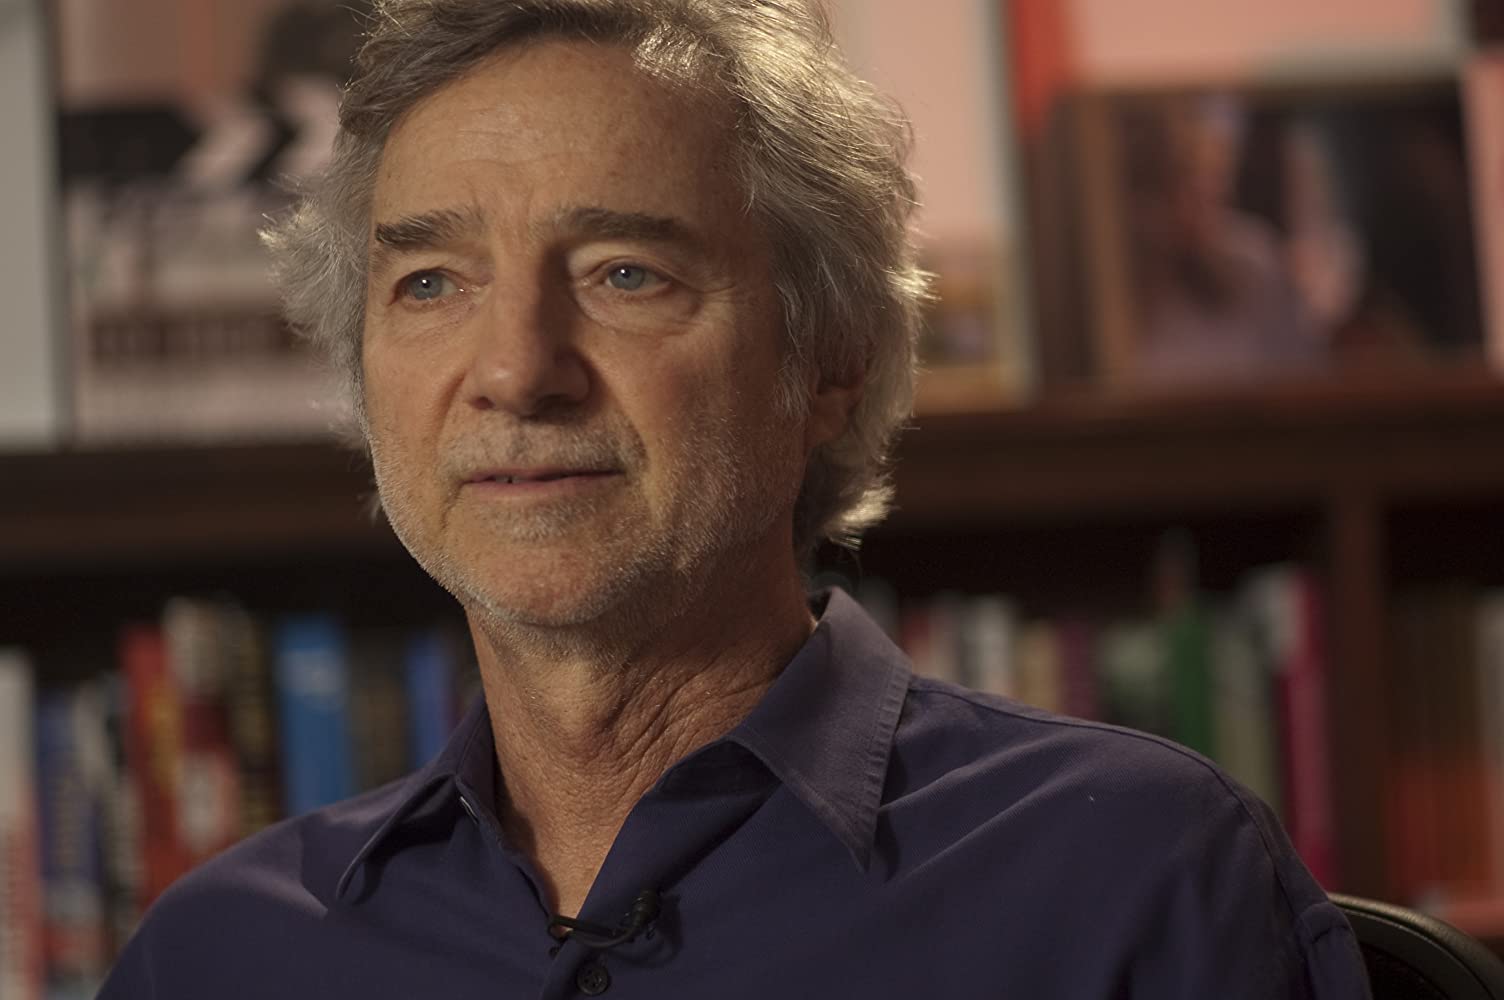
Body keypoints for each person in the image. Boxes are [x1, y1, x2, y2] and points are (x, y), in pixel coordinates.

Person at [99, 1, 1372, 996]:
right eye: (431, 282)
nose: (515, 371)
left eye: (624, 272)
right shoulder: (214, 960)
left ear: (827, 363)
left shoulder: (1133, 876)